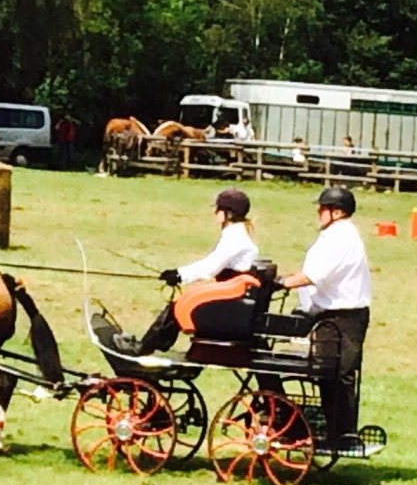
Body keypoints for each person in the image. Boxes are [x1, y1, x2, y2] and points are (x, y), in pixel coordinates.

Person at [272, 186, 372, 444]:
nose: (318, 212)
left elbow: (312, 276)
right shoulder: (337, 235)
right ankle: (337, 431)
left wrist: (280, 283)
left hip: (341, 317)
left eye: (323, 208)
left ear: (336, 212)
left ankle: (341, 434)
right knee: (332, 375)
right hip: (334, 313)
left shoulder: (339, 238)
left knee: (334, 374)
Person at [113, 188, 259, 356]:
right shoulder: (236, 233)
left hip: (231, 297)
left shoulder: (235, 237)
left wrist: (179, 274)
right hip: (231, 292)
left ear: (229, 213)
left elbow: (211, 267)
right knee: (180, 302)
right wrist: (179, 274)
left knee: (177, 306)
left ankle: (143, 347)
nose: (214, 213)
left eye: (218, 209)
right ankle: (147, 344)